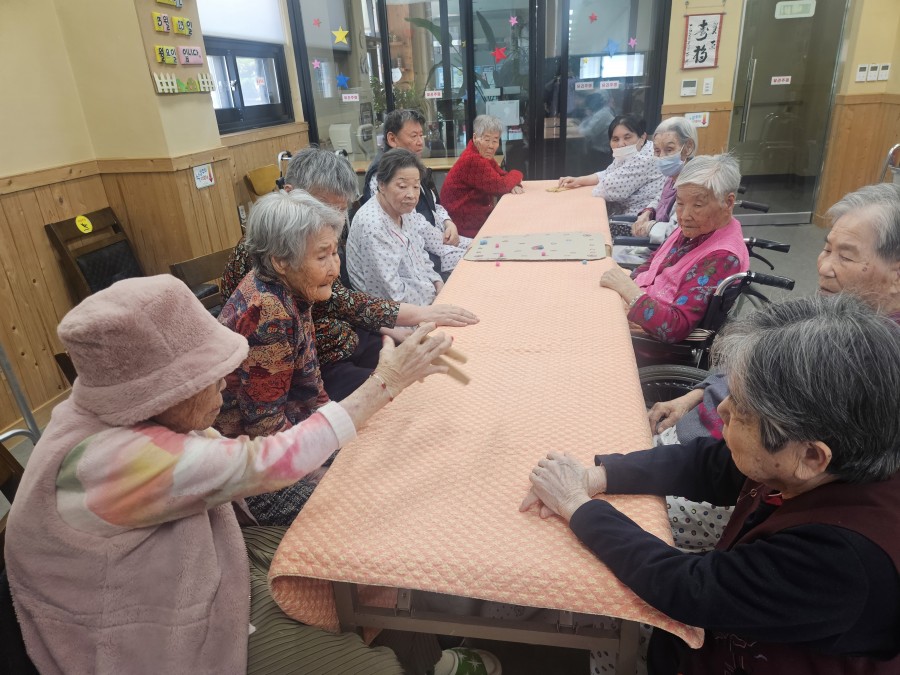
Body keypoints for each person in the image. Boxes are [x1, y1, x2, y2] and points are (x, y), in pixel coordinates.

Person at [5, 274, 454, 675]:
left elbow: (243, 458)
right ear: (158, 391)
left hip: (203, 559)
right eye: (208, 373)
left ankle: (431, 659)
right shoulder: (107, 461)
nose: (226, 380)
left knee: (367, 555)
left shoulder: (119, 405)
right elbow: (263, 462)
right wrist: (385, 381)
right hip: (151, 625)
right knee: (371, 657)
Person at [522, 293, 900, 674]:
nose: (721, 410)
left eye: (743, 411)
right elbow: (710, 464)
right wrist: (598, 476)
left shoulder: (845, 562)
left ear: (812, 457)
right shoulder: (814, 457)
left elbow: (692, 589)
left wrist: (577, 505)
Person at [646, 182, 900, 550]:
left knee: (621, 508)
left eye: (845, 256)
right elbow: (749, 363)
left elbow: (769, 462)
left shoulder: (870, 363)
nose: (825, 267)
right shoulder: (828, 319)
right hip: (704, 441)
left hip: (736, 471)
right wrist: (690, 397)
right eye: (827, 248)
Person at [220, 147, 479, 403]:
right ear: (291, 193)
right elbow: (283, 394)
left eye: (341, 209)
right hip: (319, 361)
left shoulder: (320, 237)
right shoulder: (267, 264)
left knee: (429, 366)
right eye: (324, 207)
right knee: (408, 391)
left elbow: (342, 298)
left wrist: (412, 318)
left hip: (347, 337)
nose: (334, 219)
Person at [599, 154, 749, 343]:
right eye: (680, 203)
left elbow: (675, 326)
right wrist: (630, 281)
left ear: (728, 202)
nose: (684, 215)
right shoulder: (697, 227)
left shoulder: (722, 257)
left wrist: (629, 291)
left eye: (698, 205)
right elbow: (656, 261)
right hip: (637, 303)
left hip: (651, 343)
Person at [360, 109, 465, 277]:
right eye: (413, 136)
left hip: (439, 240)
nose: (420, 142)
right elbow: (413, 228)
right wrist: (449, 244)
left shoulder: (411, 166)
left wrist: (448, 222)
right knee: (478, 259)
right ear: (392, 139)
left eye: (421, 135)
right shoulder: (382, 175)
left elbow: (434, 204)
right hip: (422, 257)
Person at [348, 149, 450, 305]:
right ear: (381, 185)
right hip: (395, 313)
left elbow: (420, 254)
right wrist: (432, 307)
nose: (411, 195)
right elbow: (390, 294)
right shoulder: (373, 226)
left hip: (425, 295)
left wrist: (437, 283)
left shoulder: (404, 210)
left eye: (416, 186)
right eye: (402, 186)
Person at [612, 117, 699, 265]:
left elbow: (679, 232)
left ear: (688, 147)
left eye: (669, 150)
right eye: (657, 151)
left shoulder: (693, 185)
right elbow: (661, 197)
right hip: (655, 246)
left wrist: (649, 227)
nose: (662, 157)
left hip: (669, 255)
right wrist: (648, 212)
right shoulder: (673, 177)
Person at [558, 113, 665, 217]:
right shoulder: (635, 152)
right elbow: (608, 173)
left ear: (642, 137)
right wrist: (578, 180)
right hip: (623, 214)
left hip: (634, 220)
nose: (620, 144)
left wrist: (599, 183)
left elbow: (604, 189)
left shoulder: (644, 159)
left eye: (627, 137)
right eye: (615, 139)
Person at [440, 114, 525, 238]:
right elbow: (501, 186)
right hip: (463, 227)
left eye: (495, 140)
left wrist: (512, 184)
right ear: (475, 138)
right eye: (487, 140)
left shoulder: (482, 156)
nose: (491, 146)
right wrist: (518, 173)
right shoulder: (473, 159)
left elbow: (502, 176)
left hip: (476, 219)